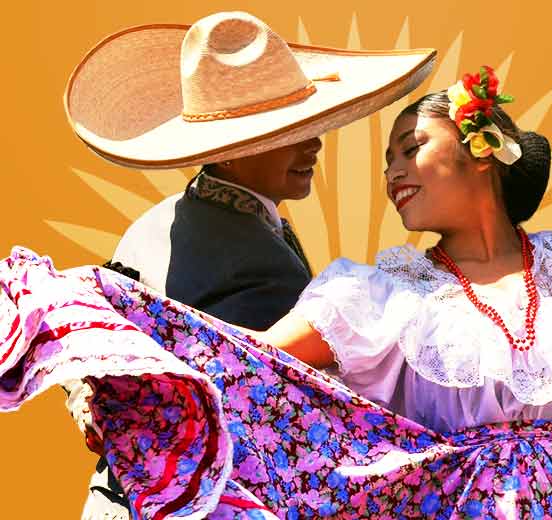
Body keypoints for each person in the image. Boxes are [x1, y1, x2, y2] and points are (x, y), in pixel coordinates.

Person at [3, 65, 552, 518]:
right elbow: (245, 365)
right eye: (386, 157)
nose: (392, 170)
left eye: (410, 148)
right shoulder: (376, 297)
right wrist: (95, 327)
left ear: (480, 154)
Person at [55, 10, 436, 519]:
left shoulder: (156, 222)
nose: (314, 143)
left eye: (312, 126)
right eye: (290, 131)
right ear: (230, 152)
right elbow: (273, 417)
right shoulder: (254, 262)